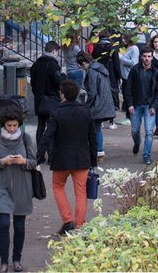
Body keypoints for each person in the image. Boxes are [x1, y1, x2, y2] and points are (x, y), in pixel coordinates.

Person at [38, 79, 97, 235]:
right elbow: (93, 138)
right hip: (82, 158)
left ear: (62, 95)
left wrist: (39, 156)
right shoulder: (86, 112)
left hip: (61, 158)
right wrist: (93, 161)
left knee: (58, 187)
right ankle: (80, 227)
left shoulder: (56, 112)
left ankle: (67, 220)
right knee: (81, 193)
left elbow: (47, 136)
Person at [0, 105, 37, 273]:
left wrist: (24, 162)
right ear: (3, 124)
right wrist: (2, 162)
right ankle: (3, 262)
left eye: (15, 125)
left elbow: (34, 162)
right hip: (2, 186)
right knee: (3, 224)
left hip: (22, 187)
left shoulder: (26, 138)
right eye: (9, 125)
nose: (12, 128)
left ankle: (16, 259)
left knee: (20, 226)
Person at [126, 46, 158, 165]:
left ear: (152, 57)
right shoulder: (135, 70)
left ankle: (147, 155)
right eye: (145, 56)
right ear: (141, 57)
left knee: (149, 132)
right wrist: (130, 104)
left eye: (149, 56)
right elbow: (128, 88)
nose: (147, 59)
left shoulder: (156, 73)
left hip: (149, 105)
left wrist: (154, 106)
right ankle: (137, 142)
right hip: (136, 104)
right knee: (135, 130)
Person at [30, 40, 63, 162]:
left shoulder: (36, 64)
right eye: (57, 52)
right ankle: (51, 155)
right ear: (54, 51)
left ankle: (40, 154)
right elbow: (58, 81)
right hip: (52, 100)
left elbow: (33, 83)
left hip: (39, 100)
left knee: (40, 127)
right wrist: (63, 77)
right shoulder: (52, 64)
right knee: (51, 127)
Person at [79, 51, 113, 159]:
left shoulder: (92, 71)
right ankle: (99, 151)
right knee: (97, 128)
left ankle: (96, 151)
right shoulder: (100, 68)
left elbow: (92, 91)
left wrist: (86, 105)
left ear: (83, 64)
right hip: (105, 102)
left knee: (94, 128)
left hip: (97, 104)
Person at [91, 31, 121, 130]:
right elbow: (117, 64)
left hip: (99, 75)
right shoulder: (113, 48)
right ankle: (111, 121)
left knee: (99, 96)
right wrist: (119, 77)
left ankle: (100, 120)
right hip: (111, 75)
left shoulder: (96, 48)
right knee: (111, 98)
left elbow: (94, 61)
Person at [117, 33, 140, 125]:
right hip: (124, 76)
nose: (122, 40)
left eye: (124, 39)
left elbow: (134, 63)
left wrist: (121, 58)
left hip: (130, 76)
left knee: (129, 97)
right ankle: (128, 116)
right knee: (126, 97)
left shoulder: (134, 49)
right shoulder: (125, 48)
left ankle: (130, 117)